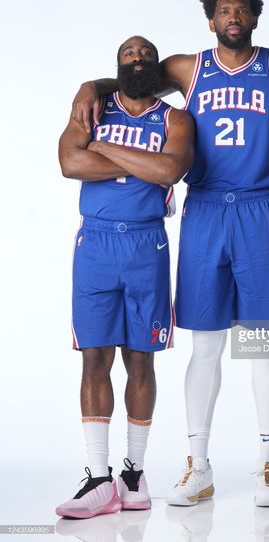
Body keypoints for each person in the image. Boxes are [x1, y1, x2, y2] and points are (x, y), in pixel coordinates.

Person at [71, 0, 269, 507]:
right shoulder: (187, 68)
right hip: (206, 209)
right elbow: (130, 82)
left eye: (241, 10)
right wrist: (88, 88)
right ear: (211, 19)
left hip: (260, 208)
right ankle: (199, 465)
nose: (233, 17)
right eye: (224, 10)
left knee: (263, 344)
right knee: (206, 345)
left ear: (254, 17)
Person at [56, 35, 194, 519]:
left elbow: (171, 169)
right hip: (95, 243)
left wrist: (103, 149)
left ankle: (132, 475)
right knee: (94, 357)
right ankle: (98, 478)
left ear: (155, 66)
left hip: (145, 244)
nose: (138, 60)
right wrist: (141, 163)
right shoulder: (93, 106)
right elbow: (70, 162)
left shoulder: (174, 119)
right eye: (128, 56)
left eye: (145, 55)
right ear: (117, 66)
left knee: (141, 359)